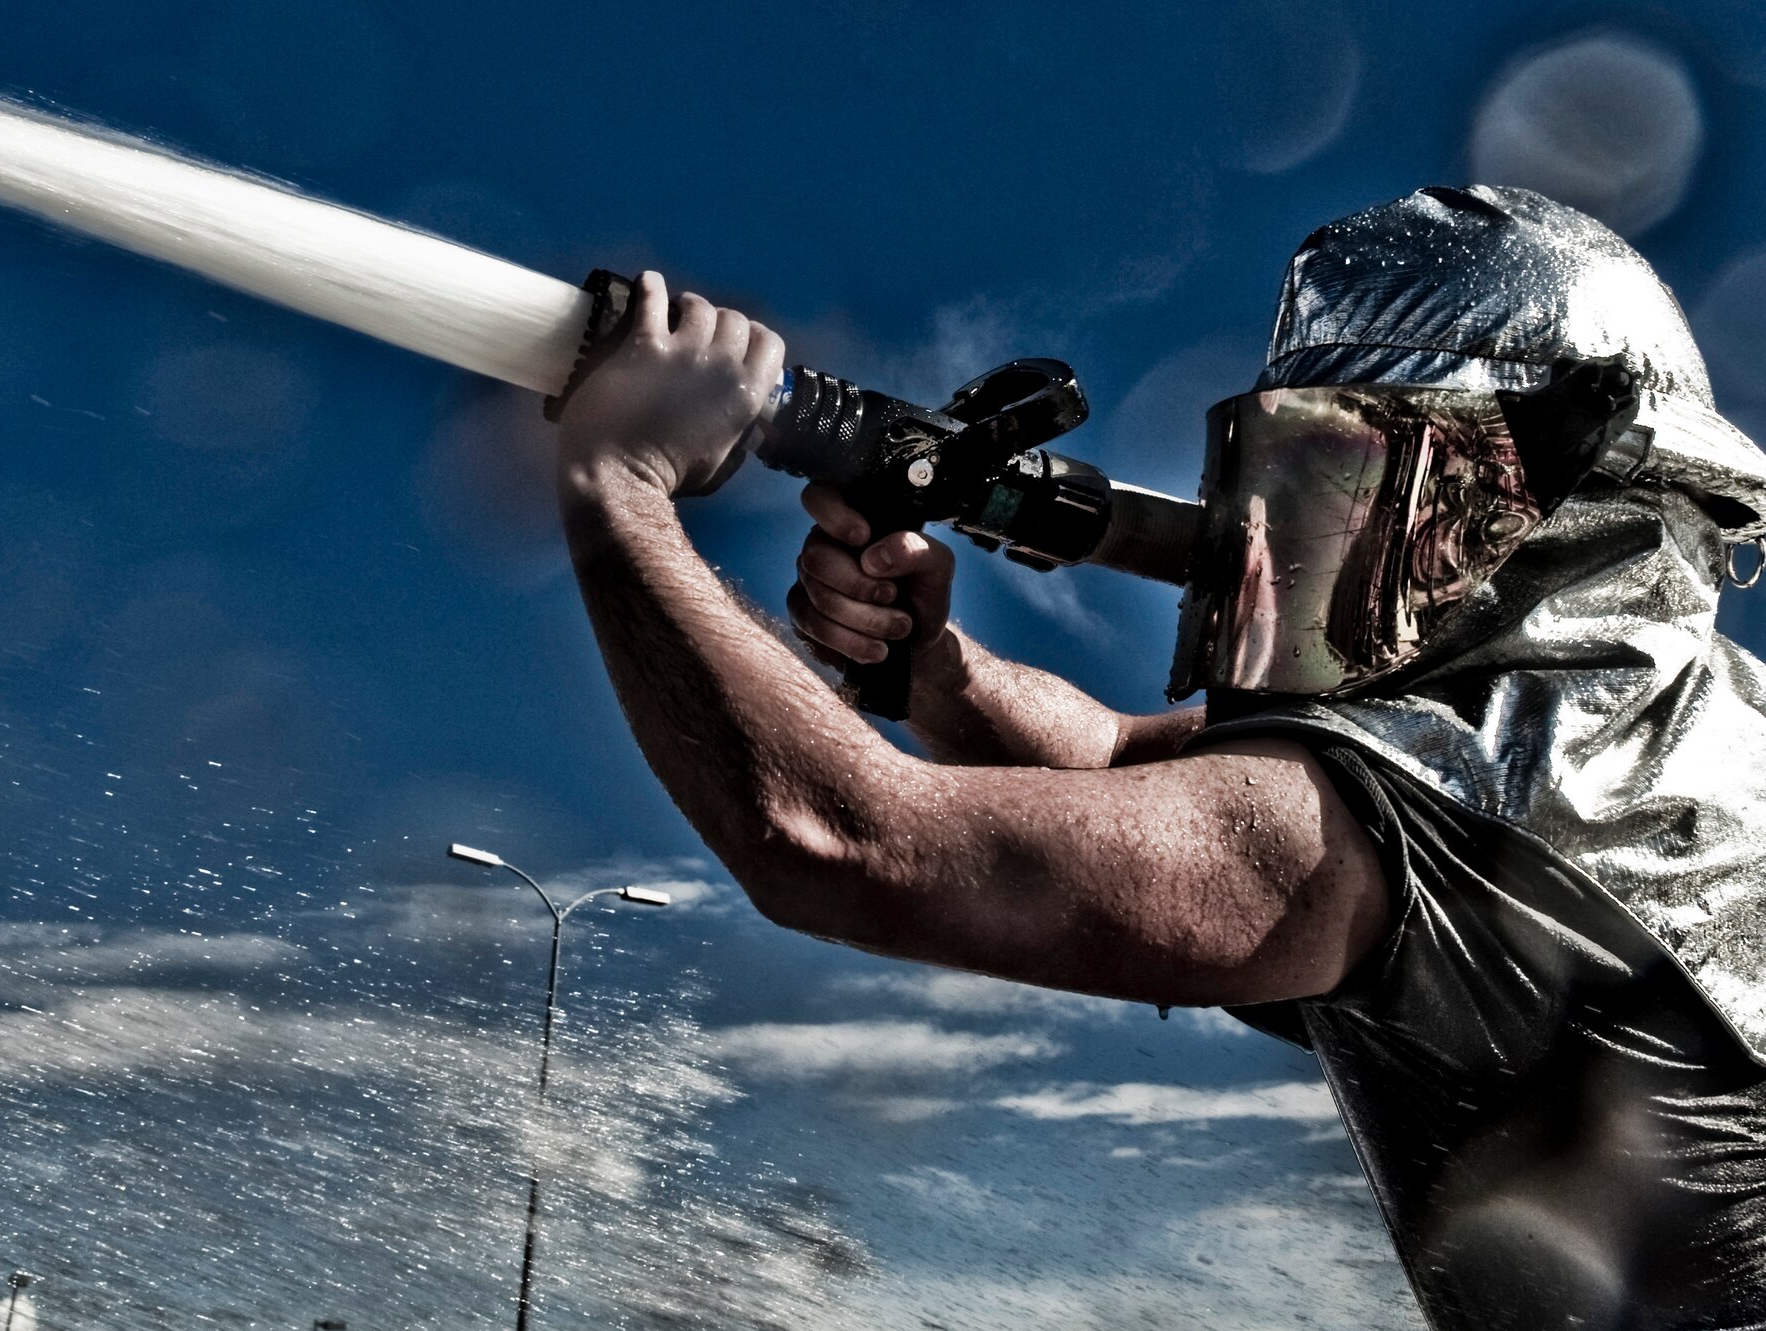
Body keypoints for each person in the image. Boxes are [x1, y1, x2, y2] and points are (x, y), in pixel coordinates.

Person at [551, 185, 1766, 1330]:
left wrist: (622, 476)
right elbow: (1122, 759)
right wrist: (932, 670)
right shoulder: (1680, 729)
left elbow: (844, 842)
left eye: (1363, 486)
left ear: (1538, 505)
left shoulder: (1406, 823)